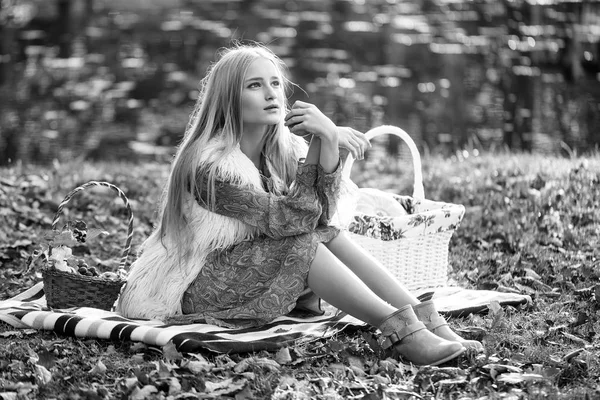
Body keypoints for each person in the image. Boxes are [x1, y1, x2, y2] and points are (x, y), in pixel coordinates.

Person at [116, 43, 482, 366]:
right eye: (254, 85)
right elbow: (286, 221)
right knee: (303, 242)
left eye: (275, 83)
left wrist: (325, 143)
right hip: (191, 284)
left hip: (245, 265)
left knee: (327, 233)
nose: (271, 93)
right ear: (229, 98)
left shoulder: (284, 147)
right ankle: (398, 330)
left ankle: (421, 317)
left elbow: (320, 215)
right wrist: (326, 139)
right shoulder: (210, 166)